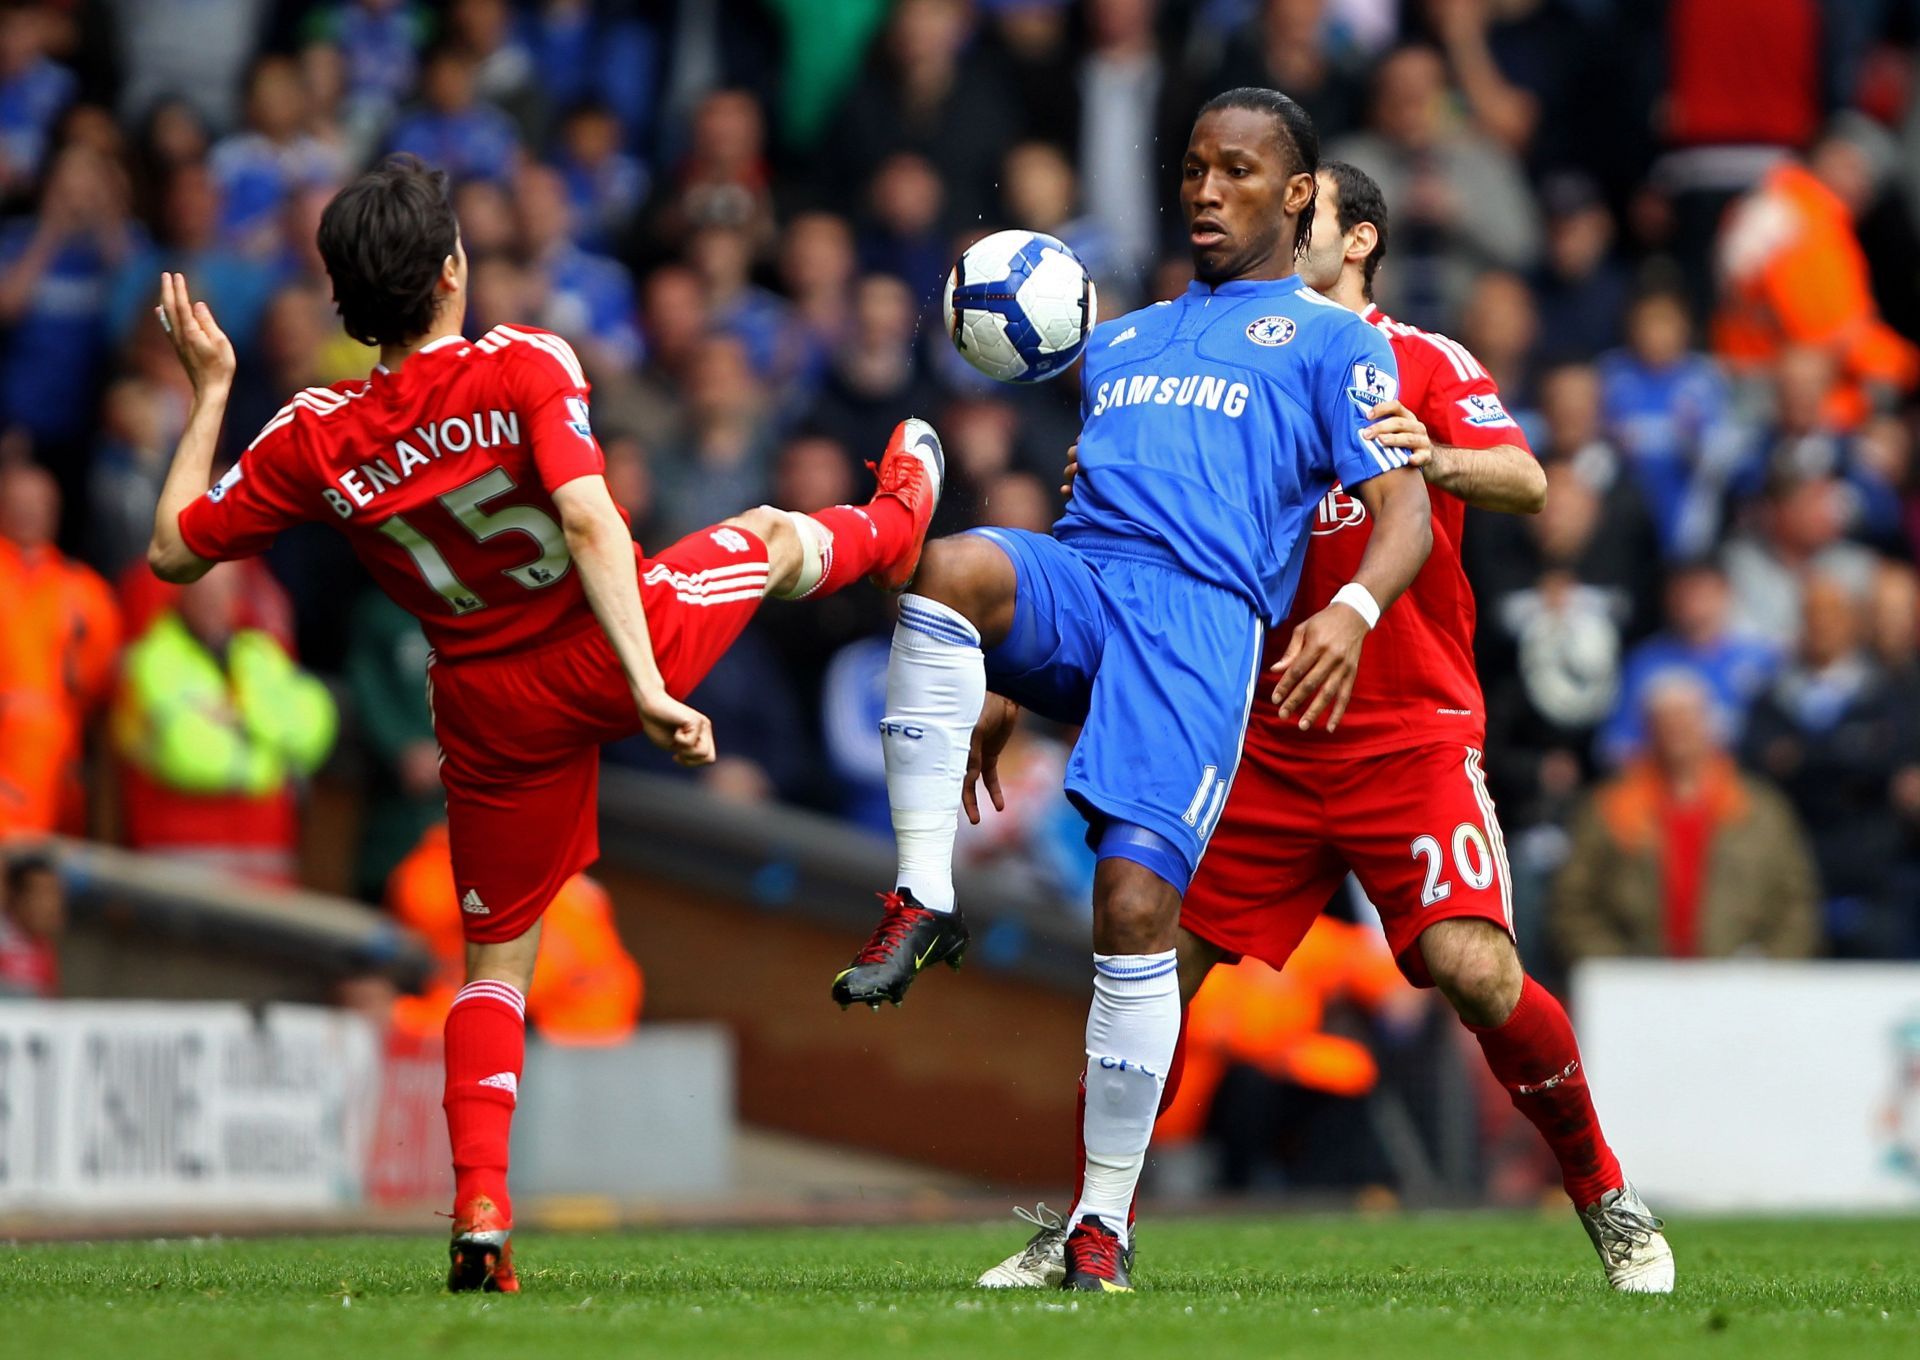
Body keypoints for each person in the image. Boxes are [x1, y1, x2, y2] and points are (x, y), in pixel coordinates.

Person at [143, 155, 944, 1293]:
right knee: (767, 537)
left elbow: (173, 548)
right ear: (455, 272)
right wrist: (646, 684)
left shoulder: (310, 436)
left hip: (480, 699)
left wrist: (211, 387)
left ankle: (480, 1208)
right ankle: (895, 525)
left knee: (494, 967)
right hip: (601, 644)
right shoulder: (525, 363)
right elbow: (582, 514)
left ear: (344, 304)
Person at [977, 159, 1672, 1294]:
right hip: (1257, 730)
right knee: (1151, 959)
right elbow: (1112, 544)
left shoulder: (1419, 360)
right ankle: (1092, 1227)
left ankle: (1606, 1195)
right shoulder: (1224, 366)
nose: (1275, 225)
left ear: (1358, 241)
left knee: (1473, 967)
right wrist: (1020, 673)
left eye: (1306, 213)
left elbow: (1528, 478)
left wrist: (1428, 459)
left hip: (1405, 726)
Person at [832, 91, 1435, 1292]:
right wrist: (1000, 674)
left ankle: (1099, 1226)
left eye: (1240, 172)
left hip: (1203, 633)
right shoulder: (1122, 339)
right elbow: (1091, 508)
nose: (1207, 191)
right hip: (1094, 580)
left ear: (1300, 195)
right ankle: (919, 892)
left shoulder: (1333, 343)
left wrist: (1354, 611)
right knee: (945, 569)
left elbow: (1404, 512)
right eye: (1198, 169)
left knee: (1131, 914)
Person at [1553, 671, 1820, 962]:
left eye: (1687, 718)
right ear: (1648, 729)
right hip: (1636, 987)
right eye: (1665, 721)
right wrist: (1616, 964)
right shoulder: (1608, 808)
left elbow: (1797, 904)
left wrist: (1767, 963)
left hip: (1742, 986)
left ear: (1709, 725)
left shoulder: (1760, 809)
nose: (1677, 730)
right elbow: (1572, 904)